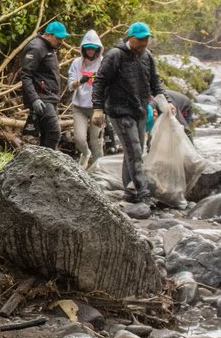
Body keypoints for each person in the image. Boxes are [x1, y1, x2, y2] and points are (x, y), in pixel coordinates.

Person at [92, 22, 167, 206]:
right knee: (134, 150)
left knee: (133, 151)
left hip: (139, 110)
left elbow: (155, 82)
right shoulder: (115, 55)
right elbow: (99, 82)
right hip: (119, 110)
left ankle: (129, 191)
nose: (144, 43)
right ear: (131, 38)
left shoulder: (147, 56)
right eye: (140, 40)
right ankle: (142, 192)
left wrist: (166, 103)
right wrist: (98, 109)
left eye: (146, 39)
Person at [20, 21, 69, 148]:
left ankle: (42, 165)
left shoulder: (49, 47)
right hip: (42, 98)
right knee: (54, 133)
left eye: (62, 38)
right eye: (58, 38)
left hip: (50, 97)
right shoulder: (36, 47)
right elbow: (26, 75)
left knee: (47, 134)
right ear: (48, 35)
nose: (61, 41)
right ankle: (48, 163)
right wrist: (34, 99)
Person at [66, 29, 104, 168]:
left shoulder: (103, 63)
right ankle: (85, 153)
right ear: (83, 48)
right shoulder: (77, 63)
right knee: (80, 139)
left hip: (97, 108)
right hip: (79, 106)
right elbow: (70, 85)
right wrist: (81, 81)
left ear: (98, 49)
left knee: (96, 140)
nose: (90, 51)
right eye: (87, 48)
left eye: (93, 48)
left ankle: (99, 168)